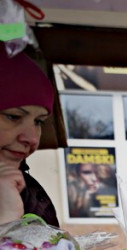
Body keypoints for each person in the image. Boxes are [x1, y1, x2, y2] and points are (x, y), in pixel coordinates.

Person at [0, 45, 59, 226]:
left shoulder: (29, 192)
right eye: (14, 117)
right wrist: (7, 221)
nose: (32, 139)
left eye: (38, 121)